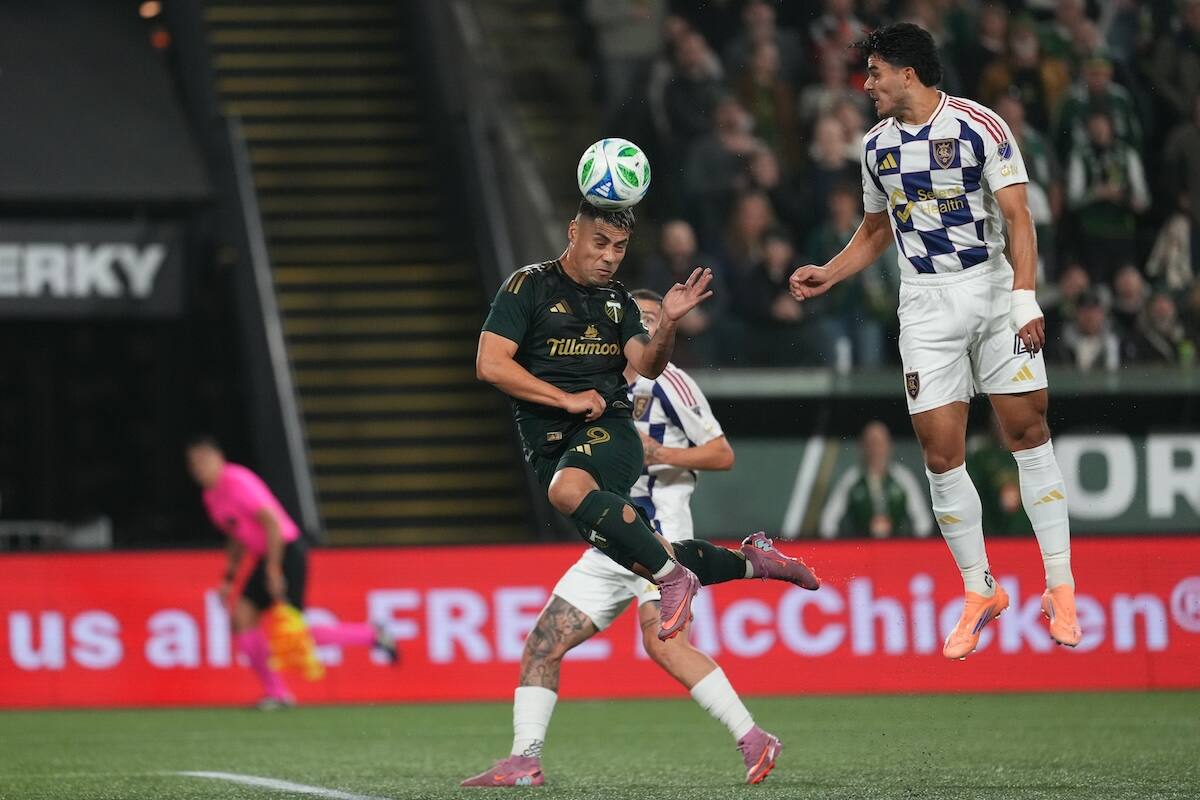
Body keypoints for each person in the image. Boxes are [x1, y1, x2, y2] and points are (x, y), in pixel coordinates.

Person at [467, 202, 818, 786]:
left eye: (619, 250)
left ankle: (752, 735)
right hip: (608, 523)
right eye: (600, 245)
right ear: (574, 232)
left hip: (655, 510)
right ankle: (525, 758)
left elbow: (719, 448)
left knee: (665, 645)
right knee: (543, 643)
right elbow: (493, 362)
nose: (608, 259)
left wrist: (663, 444)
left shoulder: (665, 379)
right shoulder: (539, 297)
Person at [789, 23, 1082, 659]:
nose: (865, 84)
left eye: (874, 73)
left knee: (1027, 430)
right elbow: (875, 231)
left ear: (907, 74)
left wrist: (1025, 297)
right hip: (923, 302)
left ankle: (1059, 583)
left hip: (992, 287)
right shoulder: (874, 148)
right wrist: (830, 273)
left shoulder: (981, 127)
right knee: (939, 451)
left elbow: (1018, 216)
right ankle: (981, 589)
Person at [185, 437, 396, 709]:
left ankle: (372, 634)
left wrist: (274, 569)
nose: (200, 469)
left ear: (219, 459)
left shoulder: (237, 481)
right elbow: (236, 536)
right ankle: (277, 692)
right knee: (242, 617)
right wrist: (229, 577)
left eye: (204, 461)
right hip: (265, 557)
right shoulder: (211, 496)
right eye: (194, 465)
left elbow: (271, 522)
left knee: (295, 632)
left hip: (286, 551)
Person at [819, 421, 933, 539]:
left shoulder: (903, 478)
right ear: (862, 447)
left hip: (897, 548)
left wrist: (913, 549)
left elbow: (923, 522)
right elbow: (827, 523)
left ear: (889, 445)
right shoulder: (851, 479)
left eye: (880, 443)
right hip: (861, 548)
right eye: (871, 443)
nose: (876, 449)